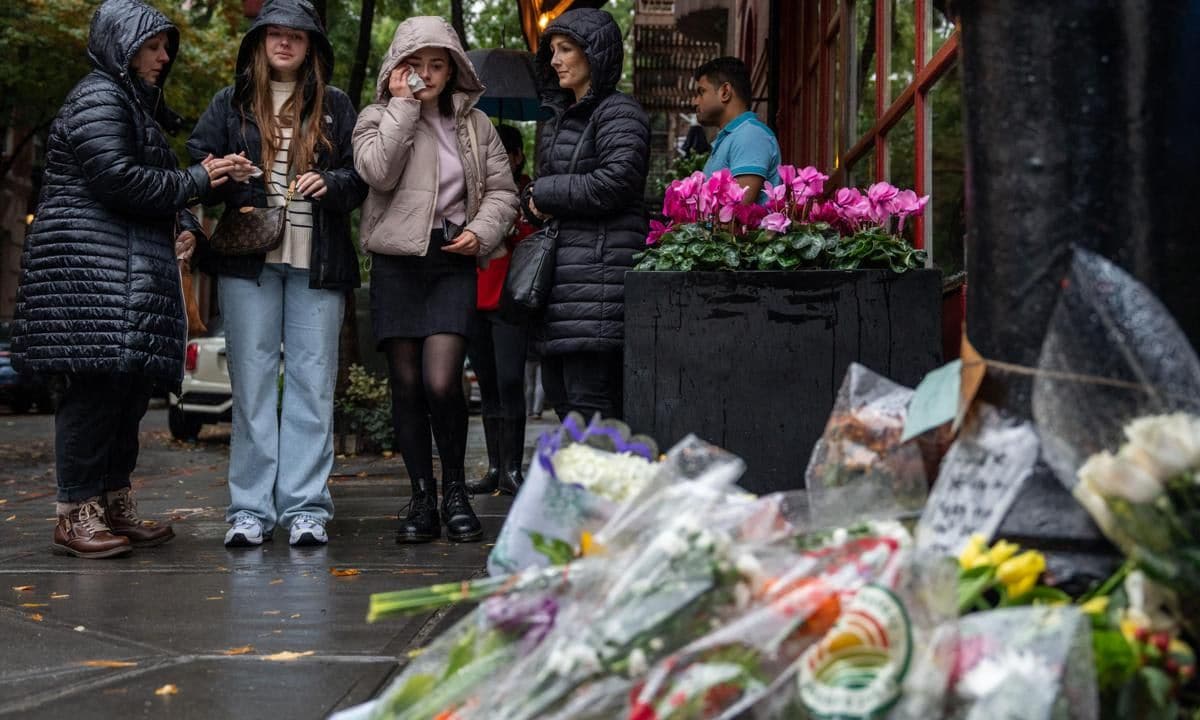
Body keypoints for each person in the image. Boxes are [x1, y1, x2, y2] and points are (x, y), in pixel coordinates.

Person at [11, 0, 233, 558]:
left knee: (125, 395)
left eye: (165, 49)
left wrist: (185, 224)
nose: (163, 58)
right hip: (91, 276)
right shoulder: (98, 97)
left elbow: (155, 183)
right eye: (154, 47)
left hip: (126, 280)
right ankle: (74, 513)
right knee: (93, 394)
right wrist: (199, 180)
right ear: (123, 45)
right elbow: (118, 180)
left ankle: (112, 501)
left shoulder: (134, 105)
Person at [187, 0, 367, 548]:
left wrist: (330, 185)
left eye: (296, 35)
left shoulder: (336, 105)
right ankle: (249, 511)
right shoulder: (231, 102)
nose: (284, 43)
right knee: (252, 387)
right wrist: (229, 176)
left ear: (311, 44)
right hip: (248, 264)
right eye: (275, 35)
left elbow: (360, 178)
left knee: (314, 387)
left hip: (318, 263)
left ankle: (306, 508)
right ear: (260, 42)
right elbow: (198, 164)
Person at [354, 17, 519, 544]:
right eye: (416, 64)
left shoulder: (476, 125)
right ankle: (421, 495)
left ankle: (455, 491)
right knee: (405, 384)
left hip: (451, 258)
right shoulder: (374, 117)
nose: (427, 74)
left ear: (453, 69)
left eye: (437, 64)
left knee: (443, 381)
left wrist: (480, 231)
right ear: (398, 68)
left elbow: (503, 192)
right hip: (397, 263)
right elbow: (377, 173)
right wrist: (403, 105)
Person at [523, 8, 650, 422]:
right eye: (553, 51)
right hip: (566, 290)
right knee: (567, 404)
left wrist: (544, 192)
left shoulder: (619, 112)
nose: (556, 59)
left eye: (566, 49)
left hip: (599, 286)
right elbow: (556, 191)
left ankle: (604, 489)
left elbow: (615, 182)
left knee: (592, 409)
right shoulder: (563, 118)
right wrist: (533, 200)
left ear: (595, 55)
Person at [467, 124, 535, 496]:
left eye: (506, 154)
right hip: (475, 299)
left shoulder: (529, 195)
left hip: (510, 300)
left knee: (510, 381)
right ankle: (495, 467)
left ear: (517, 157)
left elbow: (533, 243)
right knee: (489, 384)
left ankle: (513, 468)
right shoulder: (475, 193)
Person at [693, 56, 781, 203]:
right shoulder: (733, 137)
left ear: (725, 92)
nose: (694, 101)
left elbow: (736, 214)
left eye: (701, 92)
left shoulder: (750, 136)